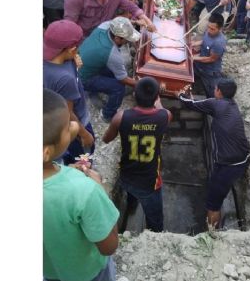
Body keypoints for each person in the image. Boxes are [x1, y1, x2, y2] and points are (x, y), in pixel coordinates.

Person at [43, 88, 119, 281]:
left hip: (51, 271)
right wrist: (100, 189)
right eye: (67, 127)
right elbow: (109, 246)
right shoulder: (85, 191)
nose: (74, 125)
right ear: (45, 152)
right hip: (88, 274)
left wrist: (65, 171)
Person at [178, 78, 250, 229]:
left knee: (213, 204)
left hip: (228, 165)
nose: (213, 90)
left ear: (219, 92)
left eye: (215, 88)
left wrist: (180, 95)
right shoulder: (231, 105)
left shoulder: (215, 103)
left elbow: (190, 104)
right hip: (243, 158)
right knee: (217, 187)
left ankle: (213, 235)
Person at [102, 77, 171, 233]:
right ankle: (154, 238)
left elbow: (106, 139)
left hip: (127, 174)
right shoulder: (164, 116)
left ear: (134, 95)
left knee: (131, 194)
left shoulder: (121, 117)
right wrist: (157, 96)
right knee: (156, 220)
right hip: (150, 182)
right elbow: (160, 108)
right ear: (155, 97)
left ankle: (131, 206)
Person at [43, 19, 96, 165]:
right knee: (83, 156)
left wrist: (74, 62)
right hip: (74, 125)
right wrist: (84, 134)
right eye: (77, 48)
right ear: (71, 49)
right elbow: (68, 113)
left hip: (52, 122)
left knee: (63, 155)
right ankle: (82, 173)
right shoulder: (65, 78)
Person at [78, 17, 141, 122]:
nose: (127, 42)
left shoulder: (105, 25)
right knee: (119, 87)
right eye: (127, 39)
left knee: (115, 72)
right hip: (82, 77)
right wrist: (139, 83)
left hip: (82, 62)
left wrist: (132, 23)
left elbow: (118, 22)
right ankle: (108, 115)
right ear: (117, 38)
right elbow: (123, 79)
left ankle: (94, 90)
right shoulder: (112, 53)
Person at [191, 13, 227, 98]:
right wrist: (194, 43)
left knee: (212, 95)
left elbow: (211, 59)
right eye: (208, 27)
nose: (209, 30)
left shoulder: (219, 43)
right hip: (199, 66)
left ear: (220, 29)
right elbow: (205, 41)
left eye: (212, 29)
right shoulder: (209, 31)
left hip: (210, 72)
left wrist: (193, 58)